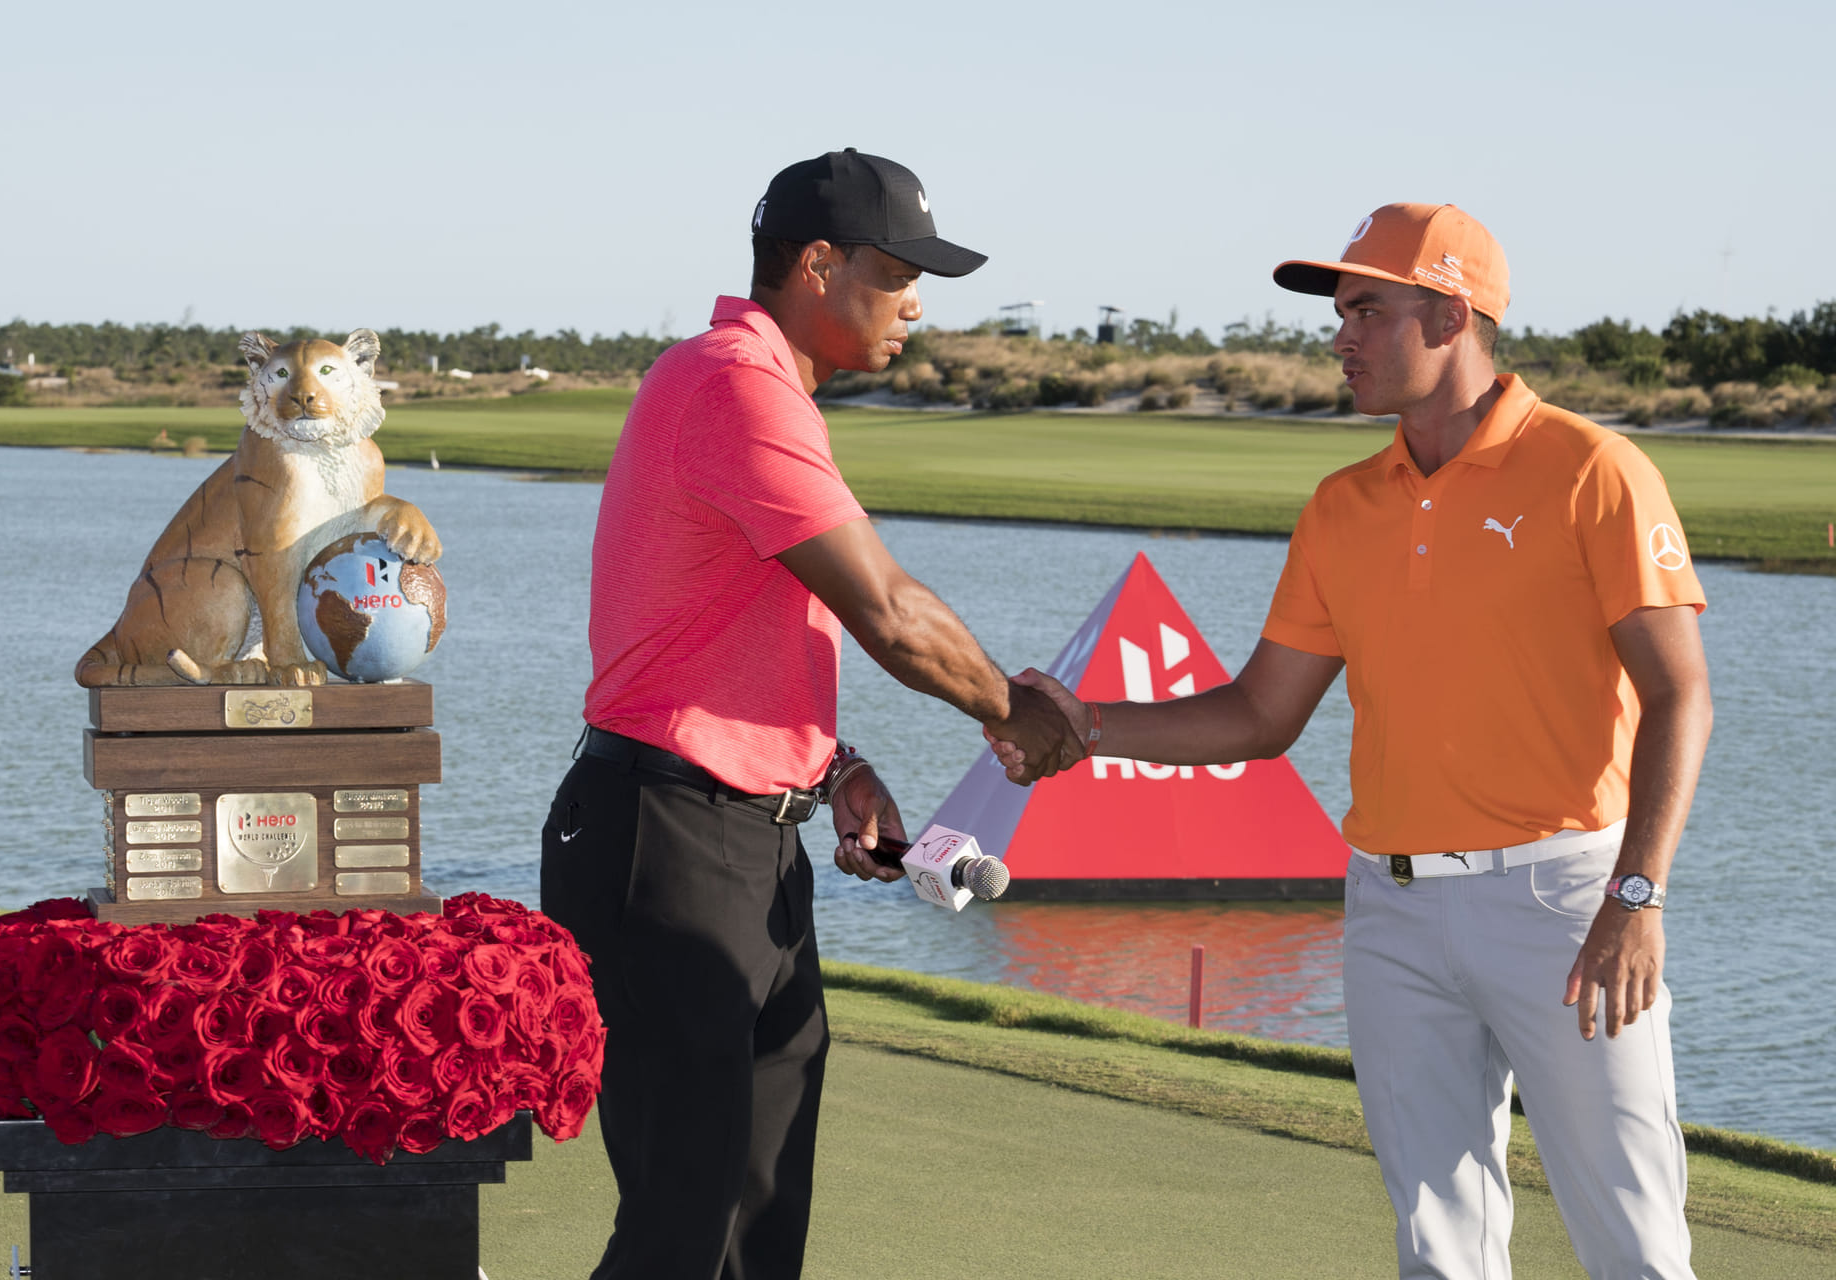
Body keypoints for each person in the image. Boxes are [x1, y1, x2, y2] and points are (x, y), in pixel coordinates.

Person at [993, 203, 1710, 1279]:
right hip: (1391, 908)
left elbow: (1681, 693)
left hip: (1565, 904)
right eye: (1341, 313)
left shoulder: (1591, 470)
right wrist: (1089, 725)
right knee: (1438, 1246)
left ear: (1452, 311)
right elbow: (1262, 713)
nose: (1340, 337)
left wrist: (1637, 894)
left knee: (1633, 1241)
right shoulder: (1341, 506)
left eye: (1368, 310)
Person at [541, 148, 1080, 1280]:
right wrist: (1015, 712)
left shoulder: (755, 387)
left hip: (744, 838)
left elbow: (719, 631)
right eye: (898, 273)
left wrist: (831, 765)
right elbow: (888, 611)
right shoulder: (734, 381)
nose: (918, 303)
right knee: (682, 1235)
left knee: (758, 1227)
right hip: (669, 838)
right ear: (820, 265)